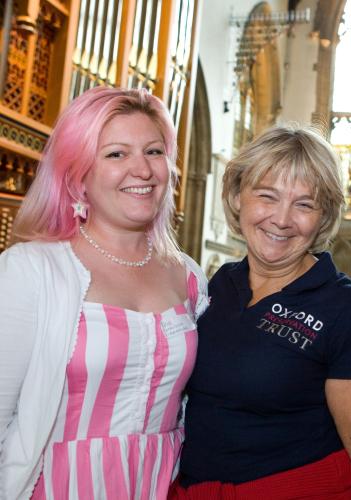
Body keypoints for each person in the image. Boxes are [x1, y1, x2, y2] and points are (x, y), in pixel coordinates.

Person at [171, 125, 351, 500]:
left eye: (305, 204)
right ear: (236, 196)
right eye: (267, 196)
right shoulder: (219, 284)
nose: (281, 219)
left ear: (324, 215)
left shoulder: (348, 309)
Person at [0, 86, 208, 499]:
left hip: (163, 485)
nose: (143, 171)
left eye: (154, 151)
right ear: (78, 175)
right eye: (116, 154)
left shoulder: (188, 276)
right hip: (61, 486)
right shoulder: (33, 269)